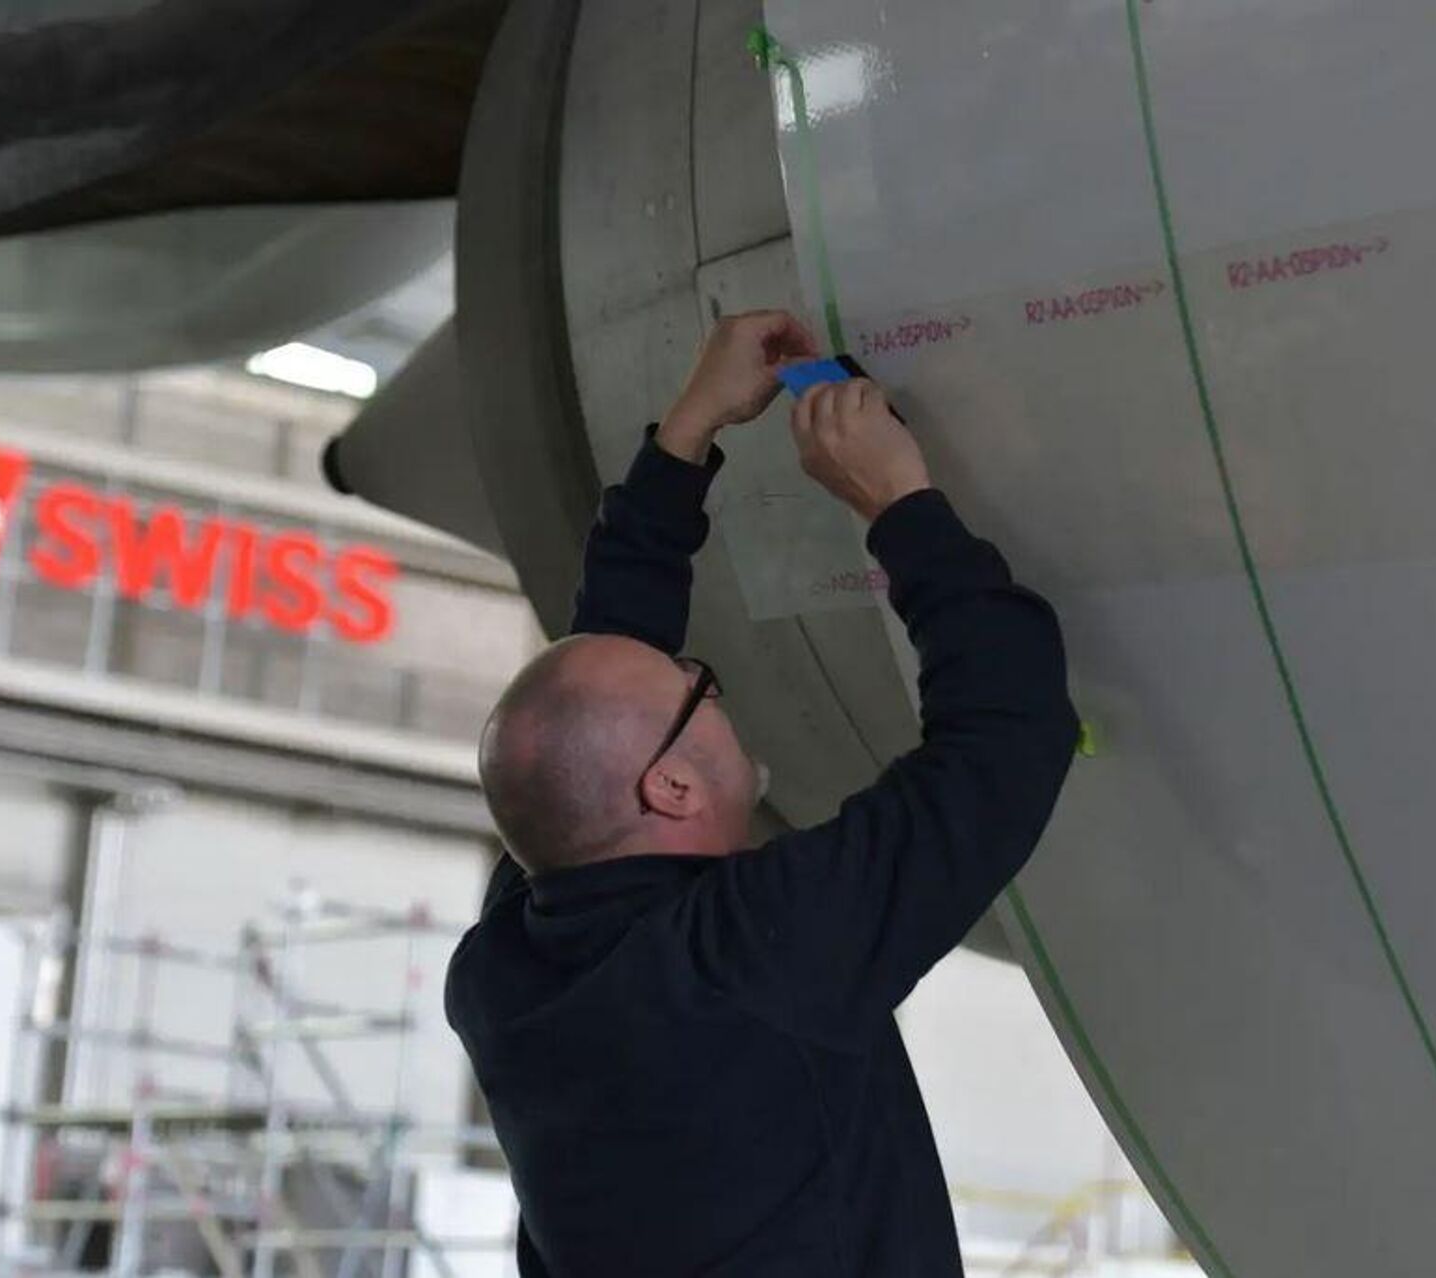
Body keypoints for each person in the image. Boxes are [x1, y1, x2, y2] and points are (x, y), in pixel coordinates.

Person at [445, 310, 1079, 1276]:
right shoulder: (748, 955)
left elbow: (601, 686)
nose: (709, 679)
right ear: (667, 787)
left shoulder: (509, 968)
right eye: (700, 688)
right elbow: (1007, 735)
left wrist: (685, 434)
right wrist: (898, 501)